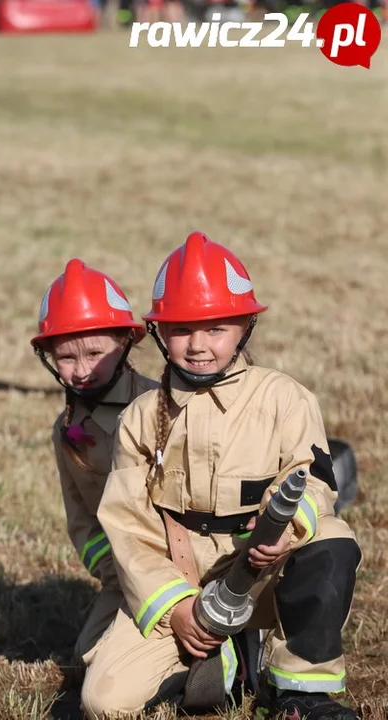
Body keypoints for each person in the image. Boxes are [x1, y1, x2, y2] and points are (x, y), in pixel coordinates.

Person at [80, 232, 361, 719]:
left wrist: (286, 530)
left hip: (263, 571)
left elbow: (313, 482)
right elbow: (128, 527)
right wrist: (178, 608)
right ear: (160, 334)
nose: (198, 346)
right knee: (104, 703)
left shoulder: (285, 398)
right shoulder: (141, 417)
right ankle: (222, 660)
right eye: (182, 330)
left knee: (331, 539)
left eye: (216, 329)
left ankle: (300, 692)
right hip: (182, 580)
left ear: (246, 326)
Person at [31, 258, 157, 682]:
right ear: (48, 355)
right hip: (123, 573)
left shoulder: (162, 406)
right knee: (88, 656)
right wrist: (116, 575)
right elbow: (81, 521)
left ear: (125, 341)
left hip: (185, 565)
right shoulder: (65, 431)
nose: (82, 370)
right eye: (65, 357)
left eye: (95, 353)